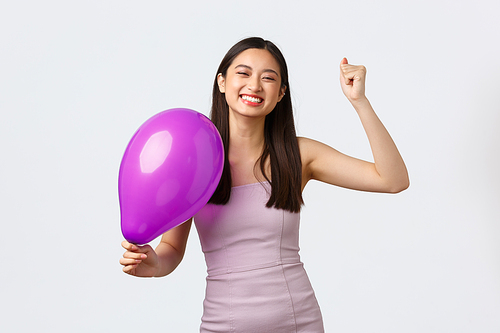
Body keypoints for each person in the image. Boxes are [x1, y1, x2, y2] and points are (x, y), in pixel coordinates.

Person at [119, 37, 409, 332]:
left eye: (268, 78)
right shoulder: (192, 158)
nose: (254, 86)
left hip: (300, 322)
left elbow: (393, 180)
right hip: (224, 325)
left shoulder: (298, 155)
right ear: (221, 81)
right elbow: (171, 247)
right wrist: (155, 265)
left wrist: (360, 102)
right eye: (243, 73)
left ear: (281, 92)